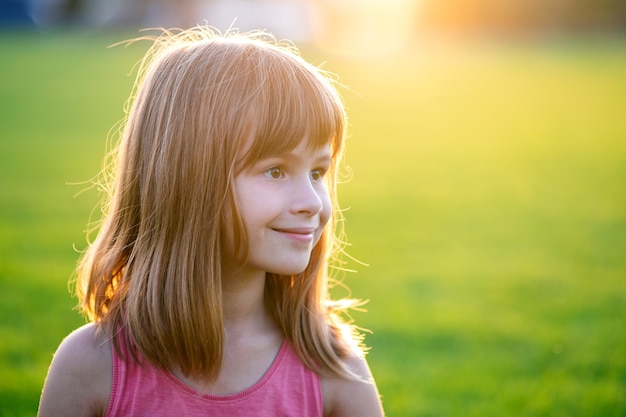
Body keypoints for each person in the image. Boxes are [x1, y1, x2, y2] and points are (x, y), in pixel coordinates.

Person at [38, 26, 384, 417]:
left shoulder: (334, 371)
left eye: (318, 172)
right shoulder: (92, 368)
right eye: (275, 171)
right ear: (187, 177)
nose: (311, 202)